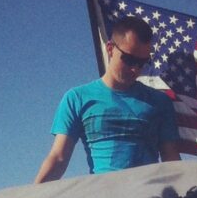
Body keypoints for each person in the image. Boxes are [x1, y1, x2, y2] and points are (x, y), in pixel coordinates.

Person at [34, 16, 180, 183]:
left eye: (142, 62)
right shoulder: (77, 98)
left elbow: (171, 160)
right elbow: (58, 158)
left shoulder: (160, 101)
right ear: (110, 49)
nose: (135, 69)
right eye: (129, 59)